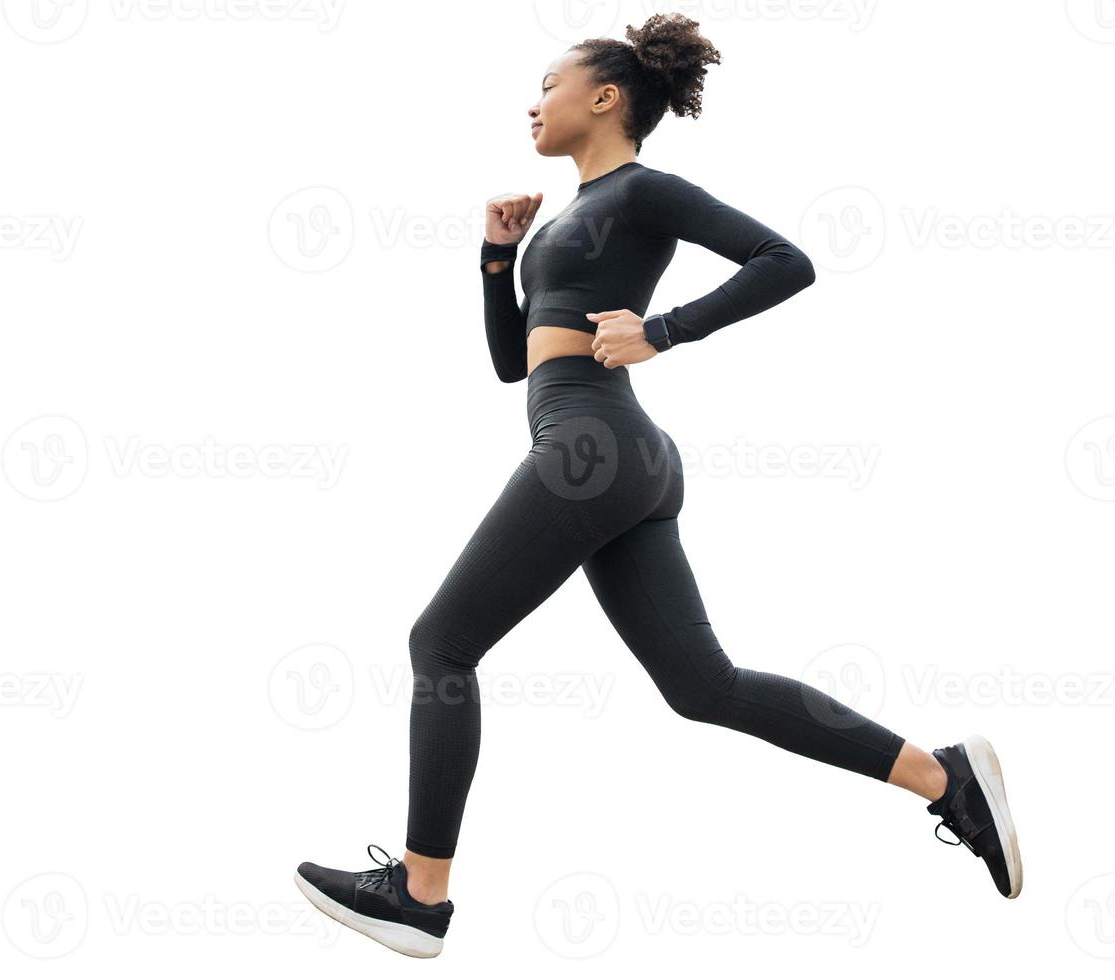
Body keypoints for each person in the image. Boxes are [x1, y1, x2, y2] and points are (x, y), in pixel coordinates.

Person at [293, 14, 1022, 958]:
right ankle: (944, 777)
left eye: (547, 82)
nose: (532, 100)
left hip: (595, 445)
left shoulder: (644, 191)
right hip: (615, 452)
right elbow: (514, 364)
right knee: (702, 686)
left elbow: (786, 262)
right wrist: (495, 256)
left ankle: (422, 895)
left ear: (603, 98)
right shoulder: (571, 216)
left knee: (440, 644)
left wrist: (663, 329)